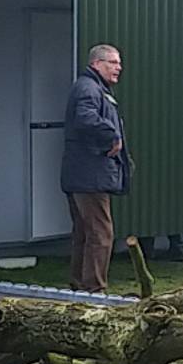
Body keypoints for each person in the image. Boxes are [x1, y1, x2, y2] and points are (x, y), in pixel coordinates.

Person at [61, 44, 131, 292]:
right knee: (101, 233)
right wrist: (112, 135)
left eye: (119, 63)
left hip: (83, 174)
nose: (118, 68)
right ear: (96, 64)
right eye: (113, 62)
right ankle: (95, 290)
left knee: (84, 232)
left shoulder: (94, 88)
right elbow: (86, 118)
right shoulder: (89, 88)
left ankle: (80, 285)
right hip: (89, 175)